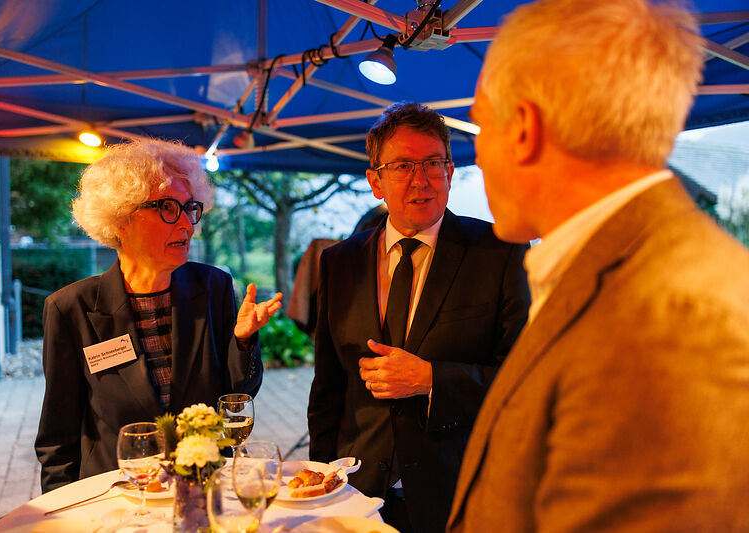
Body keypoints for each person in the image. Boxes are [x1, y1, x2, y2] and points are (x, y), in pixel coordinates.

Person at [448, 0, 749, 531]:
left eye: (478, 126)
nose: (478, 156)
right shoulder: (623, 268)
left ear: (523, 128)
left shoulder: (670, 322)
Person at [308, 102, 530, 533]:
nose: (421, 179)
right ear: (375, 181)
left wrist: (432, 379)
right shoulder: (339, 261)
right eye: (403, 166)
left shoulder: (499, 252)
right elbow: (328, 386)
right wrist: (323, 479)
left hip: (457, 491)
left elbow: (524, 380)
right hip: (357, 492)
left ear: (450, 171)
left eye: (433, 163)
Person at [35, 139, 282, 493]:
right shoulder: (72, 308)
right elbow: (57, 440)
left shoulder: (212, 287)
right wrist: (61, 510)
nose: (187, 224)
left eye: (190, 208)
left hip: (201, 489)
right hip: (118, 497)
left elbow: (235, 399)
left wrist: (242, 342)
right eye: (167, 207)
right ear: (121, 220)